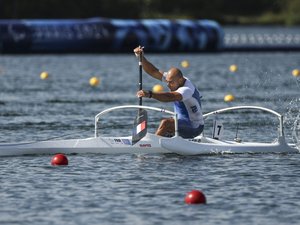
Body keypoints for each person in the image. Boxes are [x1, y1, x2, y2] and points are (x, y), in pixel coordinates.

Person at [134, 46, 204, 138]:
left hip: (194, 127)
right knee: (166, 123)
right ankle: (156, 141)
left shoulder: (187, 89)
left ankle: (150, 145)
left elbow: (170, 97)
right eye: (167, 81)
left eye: (170, 82)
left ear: (180, 80)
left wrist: (150, 94)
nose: (168, 84)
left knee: (165, 123)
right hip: (181, 122)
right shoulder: (174, 79)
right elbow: (153, 71)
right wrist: (141, 58)